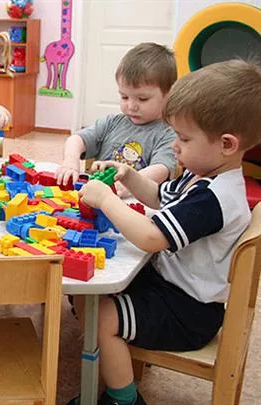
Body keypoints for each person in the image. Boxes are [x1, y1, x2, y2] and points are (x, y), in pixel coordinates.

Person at [71, 59, 261, 405]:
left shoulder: (215, 198)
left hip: (187, 311)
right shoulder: (202, 173)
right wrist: (130, 176)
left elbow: (150, 237)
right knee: (90, 291)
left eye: (184, 138)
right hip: (169, 284)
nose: (175, 146)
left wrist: (106, 200)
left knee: (101, 319)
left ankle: (123, 398)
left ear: (227, 144)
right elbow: (160, 197)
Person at [56, 43, 178, 197]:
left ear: (169, 94)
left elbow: (161, 169)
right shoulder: (112, 123)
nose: (131, 106)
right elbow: (76, 139)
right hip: (97, 198)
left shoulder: (169, 134)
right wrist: (70, 161)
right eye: (124, 97)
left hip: (133, 203)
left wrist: (128, 183)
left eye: (142, 99)